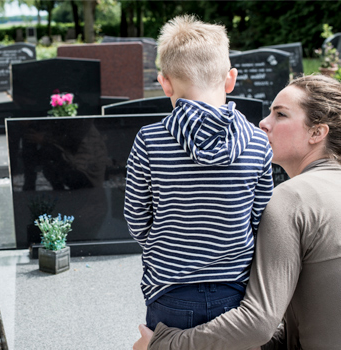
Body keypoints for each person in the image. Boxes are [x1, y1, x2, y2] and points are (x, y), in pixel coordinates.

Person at [133, 73, 341, 350]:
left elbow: (257, 324)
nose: (264, 124)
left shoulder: (291, 200)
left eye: (280, 115)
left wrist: (163, 344)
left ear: (317, 132)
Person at [124, 15, 273, 333]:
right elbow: (261, 218)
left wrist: (163, 245)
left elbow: (136, 218)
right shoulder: (258, 141)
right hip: (234, 292)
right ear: (230, 79)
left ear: (164, 83)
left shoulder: (150, 140)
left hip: (169, 290)